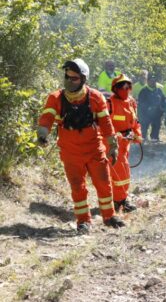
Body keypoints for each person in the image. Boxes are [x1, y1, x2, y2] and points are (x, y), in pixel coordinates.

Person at [36, 59, 125, 234]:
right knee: (77, 187)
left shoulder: (95, 97)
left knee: (103, 183)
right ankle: (83, 221)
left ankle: (109, 216)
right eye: (67, 77)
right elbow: (46, 119)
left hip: (94, 149)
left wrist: (113, 146)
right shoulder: (56, 98)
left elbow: (106, 123)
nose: (69, 81)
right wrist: (42, 134)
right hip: (70, 153)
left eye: (74, 78)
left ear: (83, 79)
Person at [107, 75, 143, 212]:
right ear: (115, 89)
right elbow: (104, 125)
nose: (125, 89)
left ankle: (117, 200)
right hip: (113, 144)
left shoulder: (132, 102)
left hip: (126, 143)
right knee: (121, 173)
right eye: (122, 87)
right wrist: (118, 136)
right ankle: (120, 201)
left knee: (120, 172)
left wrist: (137, 134)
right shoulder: (109, 104)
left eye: (128, 87)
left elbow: (136, 122)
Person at [138, 73, 164, 142]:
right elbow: (141, 103)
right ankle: (142, 141)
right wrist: (148, 108)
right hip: (146, 114)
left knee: (156, 128)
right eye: (151, 81)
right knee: (144, 129)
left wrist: (162, 110)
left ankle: (154, 140)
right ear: (148, 81)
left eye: (154, 81)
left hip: (157, 114)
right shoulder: (143, 91)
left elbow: (163, 101)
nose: (153, 82)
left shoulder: (159, 90)